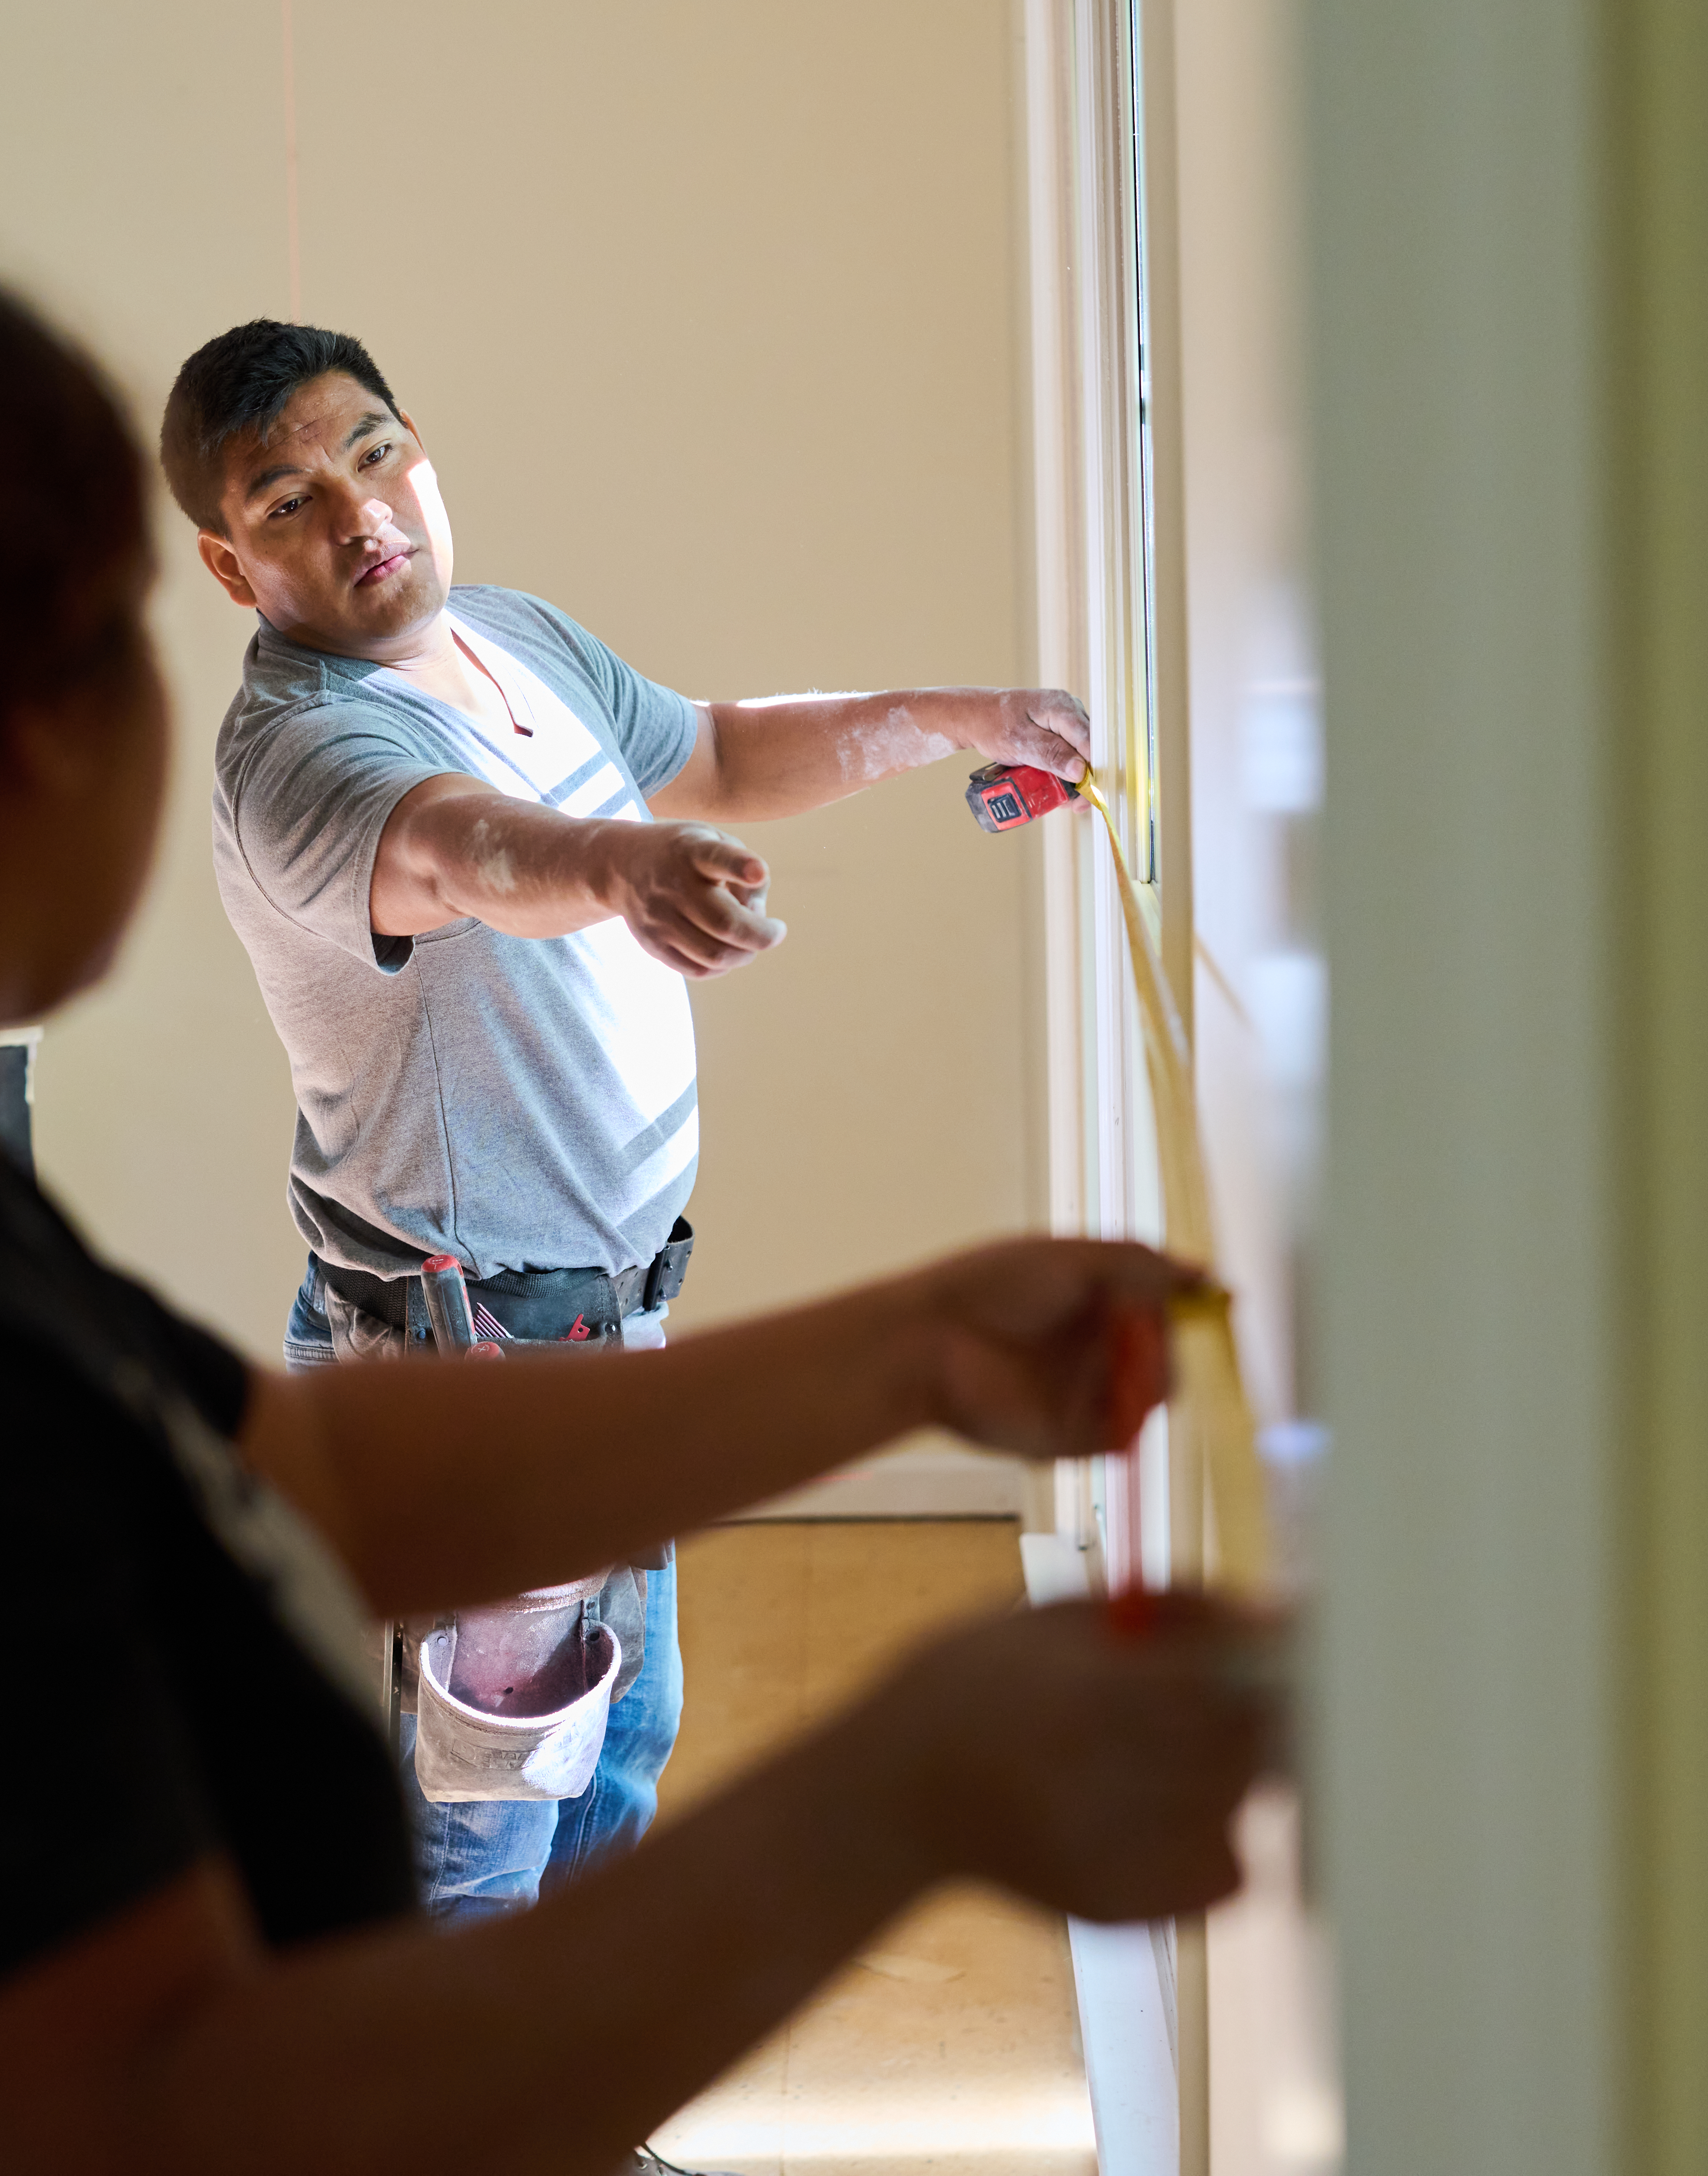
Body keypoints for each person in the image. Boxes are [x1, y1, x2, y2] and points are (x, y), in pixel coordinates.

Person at [0, 231, 1272, 2176]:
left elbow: (303, 1482)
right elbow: (204, 2120)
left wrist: (918, 1353)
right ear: (17, 724)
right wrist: (915, 1787)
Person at [172, 319, 1100, 1917]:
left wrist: (959, 717)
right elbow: (470, 852)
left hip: (599, 1339)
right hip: (467, 1372)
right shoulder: (302, 754)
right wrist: (622, 865)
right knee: (473, 1852)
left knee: (612, 1767)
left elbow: (717, 752)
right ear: (228, 562)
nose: (360, 513)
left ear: (419, 450)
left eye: (375, 454)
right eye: (289, 503)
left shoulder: (509, 635)